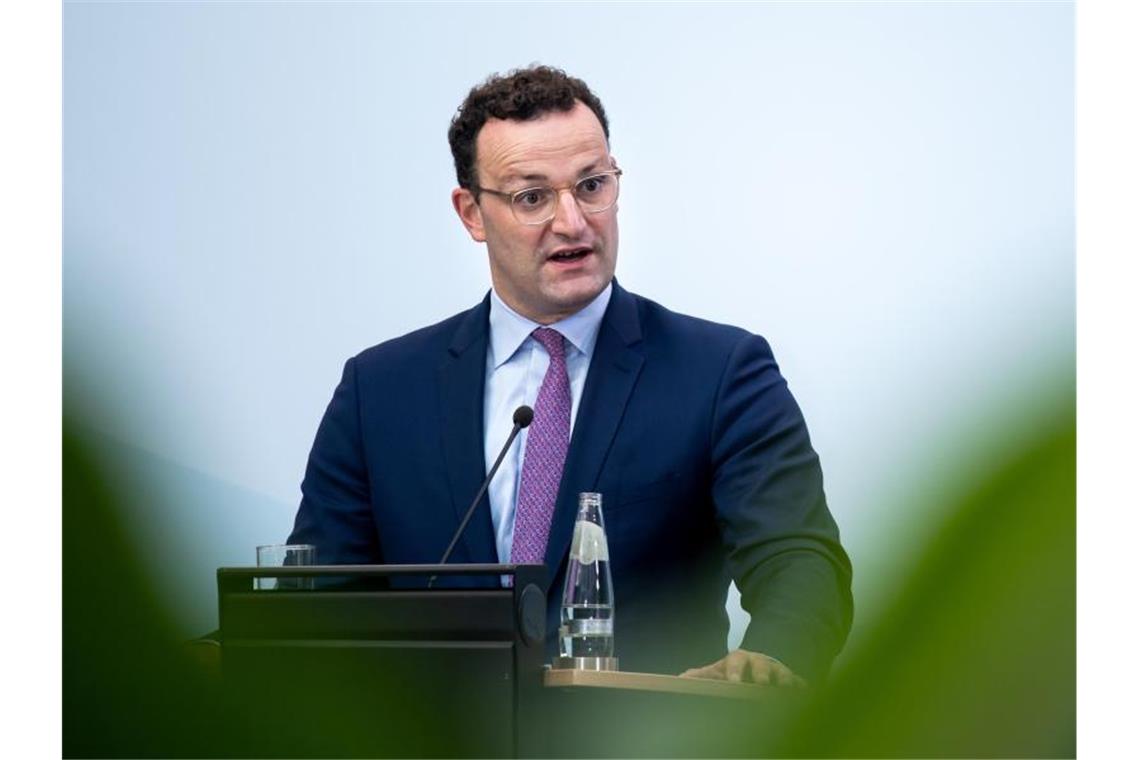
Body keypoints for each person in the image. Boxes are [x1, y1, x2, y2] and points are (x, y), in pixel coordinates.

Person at [288, 65, 853, 685]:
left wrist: (773, 658)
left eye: (591, 185)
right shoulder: (381, 391)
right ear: (472, 212)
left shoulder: (720, 373)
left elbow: (800, 562)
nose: (573, 221)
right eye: (533, 196)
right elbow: (314, 602)